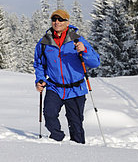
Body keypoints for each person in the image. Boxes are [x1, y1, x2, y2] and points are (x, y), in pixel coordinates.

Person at [33, 9, 100, 144]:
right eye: (54, 19)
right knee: (49, 116)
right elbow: (39, 64)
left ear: (67, 22)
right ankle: (57, 141)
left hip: (76, 88)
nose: (57, 22)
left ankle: (78, 150)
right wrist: (40, 79)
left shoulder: (77, 40)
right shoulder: (44, 42)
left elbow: (95, 62)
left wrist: (84, 51)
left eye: (60, 19)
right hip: (54, 87)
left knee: (76, 123)